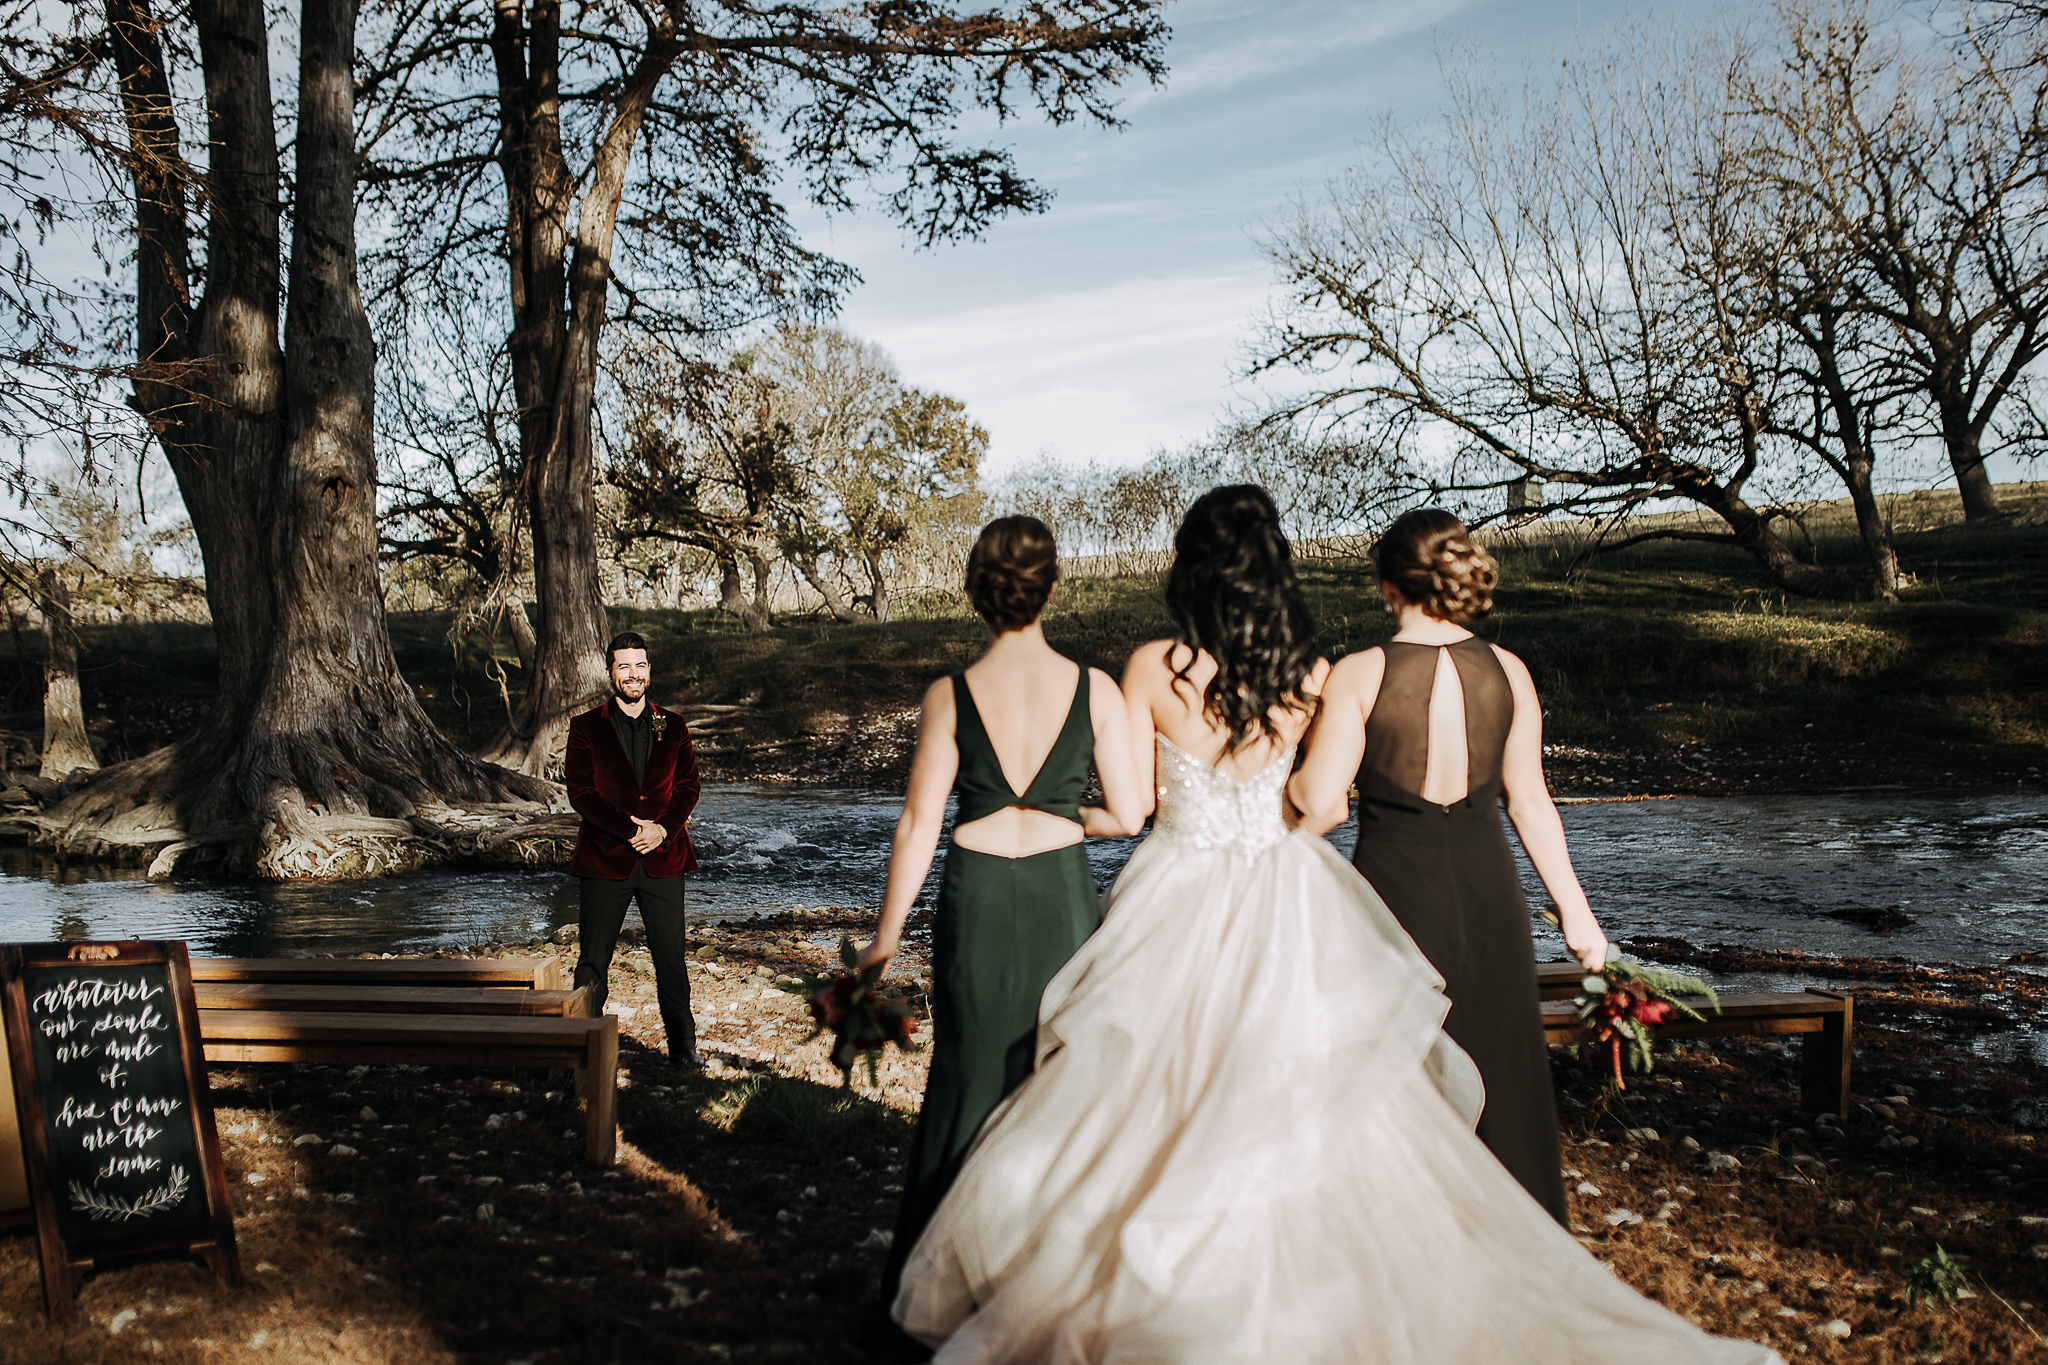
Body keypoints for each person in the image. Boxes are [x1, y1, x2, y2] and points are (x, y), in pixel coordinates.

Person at [893, 486, 1777, 1365]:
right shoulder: (1315, 673)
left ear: (1189, 568)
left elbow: (1143, 801)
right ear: (1276, 569)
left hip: (1178, 889)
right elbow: (1319, 807)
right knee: (1299, 1084)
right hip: (1287, 889)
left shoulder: (1151, 666)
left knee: (1156, 1082)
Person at [857, 515, 1148, 1320]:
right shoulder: (1099, 689)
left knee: (967, 1074)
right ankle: (1052, 1285)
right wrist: (1065, 816)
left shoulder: (950, 694)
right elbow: (1130, 812)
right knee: (1054, 1077)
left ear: (976, 592)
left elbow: (918, 823)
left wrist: (884, 940)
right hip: (1058, 893)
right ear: (1052, 584)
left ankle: (940, 1289)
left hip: (976, 892)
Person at [1289, 506, 1603, 1226]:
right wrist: (1579, 920)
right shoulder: (1510, 671)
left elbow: (1316, 798)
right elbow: (1531, 804)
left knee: (1398, 1071)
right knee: (1502, 1072)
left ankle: (1407, 1244)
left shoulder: (1360, 674)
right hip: (1491, 890)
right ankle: (1518, 1241)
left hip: (1395, 895)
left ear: (1387, 584)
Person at [565, 631, 703, 1067]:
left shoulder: (674, 725)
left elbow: (688, 786)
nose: (633, 674)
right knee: (592, 962)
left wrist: (662, 829)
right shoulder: (585, 727)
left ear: (649, 670)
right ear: (610, 672)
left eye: (639, 665)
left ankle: (683, 1050)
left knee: (670, 960)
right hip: (606, 859)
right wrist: (629, 830)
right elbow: (581, 793)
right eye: (623, 666)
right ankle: (579, 1048)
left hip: (665, 859)